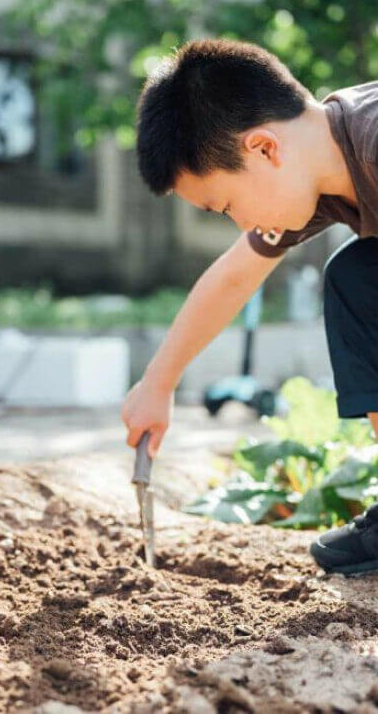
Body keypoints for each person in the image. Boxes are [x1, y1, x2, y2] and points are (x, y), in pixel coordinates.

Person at [121, 37, 378, 576]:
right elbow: (235, 276)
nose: (239, 223)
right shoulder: (323, 172)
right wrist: (158, 384)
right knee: (358, 276)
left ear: (264, 149)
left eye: (227, 206)